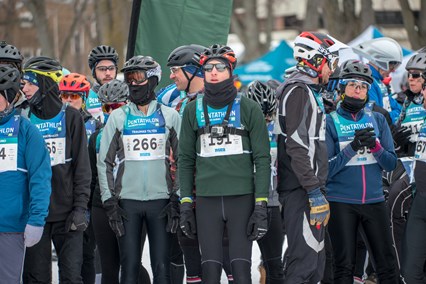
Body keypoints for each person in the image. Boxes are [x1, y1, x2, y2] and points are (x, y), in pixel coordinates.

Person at [179, 44, 271, 283]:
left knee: (241, 273)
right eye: (208, 67)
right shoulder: (192, 110)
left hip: (241, 198)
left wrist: (261, 205)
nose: (214, 72)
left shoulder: (249, 108)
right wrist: (186, 203)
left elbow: (262, 159)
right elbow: (186, 160)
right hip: (207, 200)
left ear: (230, 71)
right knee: (209, 272)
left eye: (220, 67)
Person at [97, 55, 181, 284]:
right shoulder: (118, 117)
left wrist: (177, 197)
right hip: (127, 204)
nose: (133, 83)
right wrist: (109, 201)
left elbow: (185, 159)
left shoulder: (170, 116)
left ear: (153, 80)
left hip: (161, 202)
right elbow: (104, 161)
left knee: (162, 269)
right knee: (130, 269)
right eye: (129, 78)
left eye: (139, 77)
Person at [275, 31, 341, 283]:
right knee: (304, 263)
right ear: (316, 60)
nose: (332, 70)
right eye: (330, 62)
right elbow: (297, 146)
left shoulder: (307, 91)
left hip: (308, 188)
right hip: (301, 190)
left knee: (315, 265)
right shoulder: (298, 91)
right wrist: (313, 191)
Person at [325, 59, 398, 283]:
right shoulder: (329, 121)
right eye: (353, 85)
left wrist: (375, 147)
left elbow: (391, 164)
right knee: (344, 266)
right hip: (341, 202)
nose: (358, 90)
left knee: (387, 265)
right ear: (342, 89)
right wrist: (352, 148)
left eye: (363, 86)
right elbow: (326, 170)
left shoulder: (377, 119)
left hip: (374, 201)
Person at [21, 56, 91, 284]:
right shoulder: (24, 118)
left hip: (68, 215)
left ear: (46, 84)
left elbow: (82, 168)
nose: (25, 87)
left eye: (31, 82)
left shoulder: (71, 117)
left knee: (71, 277)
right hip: (35, 215)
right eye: (24, 82)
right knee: (36, 278)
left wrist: (81, 208)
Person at [0, 64, 51, 283]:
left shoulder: (26, 130)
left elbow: (40, 178)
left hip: (11, 227)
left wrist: (37, 219)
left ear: (8, 97)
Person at [58, 72, 102, 284]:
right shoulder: (57, 124)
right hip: (67, 196)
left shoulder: (95, 125)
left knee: (88, 252)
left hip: (91, 194)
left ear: (84, 99)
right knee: (68, 259)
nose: (68, 101)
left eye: (73, 96)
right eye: (64, 96)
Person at [246, 80, 285, 284]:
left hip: (272, 203)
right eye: (262, 116)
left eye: (270, 116)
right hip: (243, 201)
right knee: (238, 266)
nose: (266, 120)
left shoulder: (278, 130)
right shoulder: (240, 127)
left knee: (274, 266)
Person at [401, 73, 426, 283]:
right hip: (420, 201)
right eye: (424, 88)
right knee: (410, 273)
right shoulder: (422, 118)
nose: (424, 93)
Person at [352, 37, 403, 123]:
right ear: (381, 62)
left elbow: (400, 110)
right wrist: (394, 115)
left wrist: (392, 114)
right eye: (391, 65)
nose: (393, 70)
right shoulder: (368, 82)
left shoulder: (378, 81)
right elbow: (377, 116)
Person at [87, 45, 119, 121]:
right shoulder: (85, 98)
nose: (108, 73)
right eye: (102, 69)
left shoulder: (127, 97)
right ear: (93, 72)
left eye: (111, 68)